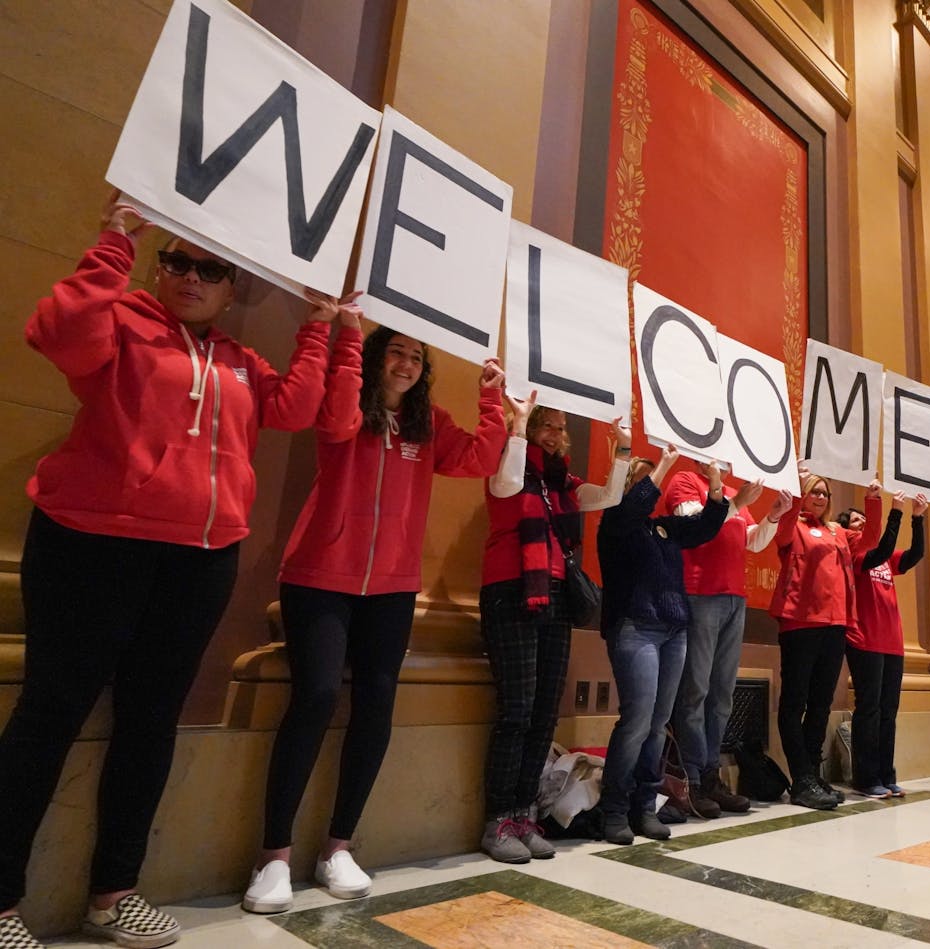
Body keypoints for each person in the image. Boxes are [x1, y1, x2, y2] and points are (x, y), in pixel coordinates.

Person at [0, 193, 339, 949]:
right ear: (160, 269)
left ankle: (113, 893)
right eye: (177, 262)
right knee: (50, 712)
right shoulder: (119, 324)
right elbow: (54, 332)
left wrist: (320, 325)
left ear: (229, 288)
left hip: (199, 559)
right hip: (92, 546)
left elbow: (297, 406)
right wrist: (116, 237)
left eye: (210, 269)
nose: (191, 276)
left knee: (151, 722)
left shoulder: (238, 361)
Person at [242, 328, 509, 913]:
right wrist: (344, 346)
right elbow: (336, 419)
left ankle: (338, 846)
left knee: (376, 706)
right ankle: (273, 855)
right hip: (318, 577)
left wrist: (492, 399)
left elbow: (481, 459)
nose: (407, 364)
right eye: (396, 352)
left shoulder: (428, 423)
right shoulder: (347, 406)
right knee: (313, 698)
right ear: (373, 358)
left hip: (390, 588)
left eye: (417, 357)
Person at [479, 397, 631, 863]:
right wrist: (519, 428)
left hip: (557, 597)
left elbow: (609, 497)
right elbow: (505, 486)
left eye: (557, 426)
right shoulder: (505, 463)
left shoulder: (562, 485)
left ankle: (525, 816)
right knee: (517, 712)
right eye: (544, 424)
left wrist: (623, 453)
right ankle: (497, 820)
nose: (552, 432)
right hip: (512, 591)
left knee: (545, 714)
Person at [596, 446, 729, 843]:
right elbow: (633, 508)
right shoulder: (615, 521)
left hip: (674, 631)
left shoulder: (663, 528)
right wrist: (666, 464)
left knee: (658, 724)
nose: (650, 487)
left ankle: (643, 805)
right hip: (635, 629)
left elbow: (706, 525)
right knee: (637, 720)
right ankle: (614, 810)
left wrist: (716, 482)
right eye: (642, 479)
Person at [664, 462, 777, 818]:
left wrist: (773, 515)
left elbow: (751, 541)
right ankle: (693, 777)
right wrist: (738, 502)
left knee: (722, 694)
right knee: (695, 690)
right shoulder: (684, 480)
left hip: (734, 598)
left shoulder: (731, 494)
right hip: (700, 594)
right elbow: (695, 526)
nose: (726, 461)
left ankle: (711, 774)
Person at [769, 469, 876, 811]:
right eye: (814, 492)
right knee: (794, 703)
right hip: (800, 624)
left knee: (820, 704)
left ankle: (813, 776)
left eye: (825, 494)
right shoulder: (793, 525)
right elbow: (782, 531)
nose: (820, 498)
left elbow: (871, 540)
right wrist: (797, 492)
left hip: (835, 625)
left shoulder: (837, 532)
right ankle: (801, 779)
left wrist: (873, 499)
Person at [840, 491, 928, 797]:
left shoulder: (886, 559)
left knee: (889, 711)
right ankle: (865, 779)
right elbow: (884, 546)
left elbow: (915, 554)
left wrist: (918, 518)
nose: (863, 523)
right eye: (856, 520)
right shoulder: (856, 554)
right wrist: (895, 512)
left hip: (893, 643)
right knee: (869, 709)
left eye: (864, 519)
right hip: (865, 639)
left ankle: (886, 774)